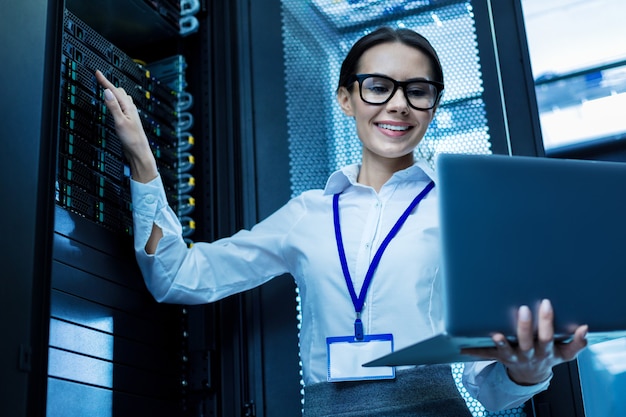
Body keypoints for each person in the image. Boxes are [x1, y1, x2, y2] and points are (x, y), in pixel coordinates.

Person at [95, 27, 588, 416]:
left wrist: (526, 373)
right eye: (378, 87)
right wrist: (142, 159)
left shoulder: (465, 210)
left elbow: (490, 392)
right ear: (345, 98)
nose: (398, 103)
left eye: (417, 91)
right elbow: (178, 277)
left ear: (432, 107)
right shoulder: (307, 214)